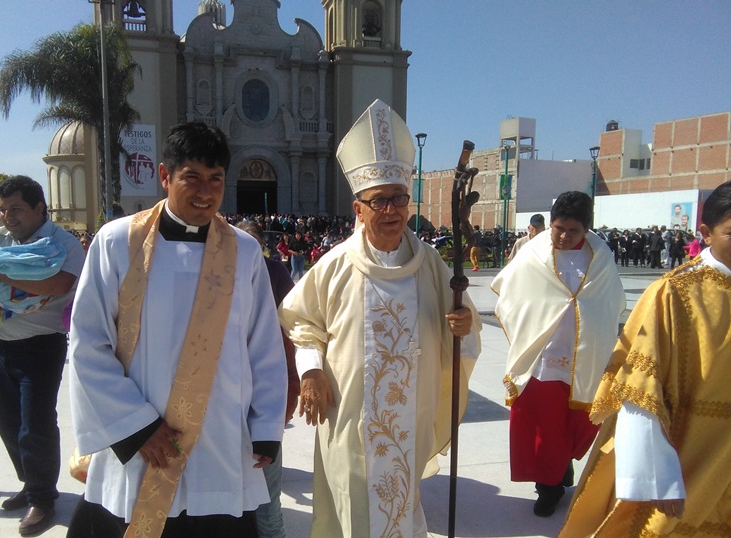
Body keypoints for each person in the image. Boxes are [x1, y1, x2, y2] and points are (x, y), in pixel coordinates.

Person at [67, 122, 287, 538]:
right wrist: (135, 426)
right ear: (165, 176)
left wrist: (266, 427)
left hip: (220, 437)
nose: (205, 192)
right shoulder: (117, 242)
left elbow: (263, 345)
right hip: (145, 441)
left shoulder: (243, 250)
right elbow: (87, 342)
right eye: (192, 178)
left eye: (216, 179)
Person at [279, 99, 482, 537]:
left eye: (399, 199)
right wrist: (311, 371)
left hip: (410, 414)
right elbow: (301, 321)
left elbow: (460, 320)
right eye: (379, 201)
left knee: (401, 505)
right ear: (358, 208)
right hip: (349, 413)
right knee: (352, 506)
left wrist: (464, 323)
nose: (390, 209)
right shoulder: (334, 265)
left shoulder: (430, 263)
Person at [559, 181, 731, 537]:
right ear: (706, 233)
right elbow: (640, 390)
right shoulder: (674, 293)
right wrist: (658, 476)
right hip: (689, 458)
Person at [0, 176, 85, 536]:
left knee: (34, 423)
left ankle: (43, 499)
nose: (7, 216)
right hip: (0, 345)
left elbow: (60, 284)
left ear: (40, 208)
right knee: (8, 421)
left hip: (41, 346)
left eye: (16, 209)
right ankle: (31, 484)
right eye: (3, 210)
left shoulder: (63, 243)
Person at [491, 191, 626, 517]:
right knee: (544, 425)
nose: (564, 237)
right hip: (543, 356)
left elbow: (611, 302)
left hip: (584, 354)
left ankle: (562, 468)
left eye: (574, 231)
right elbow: (510, 292)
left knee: (571, 423)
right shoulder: (533, 253)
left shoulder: (600, 257)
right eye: (558, 228)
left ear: (587, 228)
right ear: (550, 224)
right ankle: (548, 487)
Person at [235, 220, 300, 538]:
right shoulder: (220, 275)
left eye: (253, 243)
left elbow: (291, 330)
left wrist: (291, 385)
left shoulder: (274, 273)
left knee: (267, 491)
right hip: (228, 396)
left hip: (267, 391)